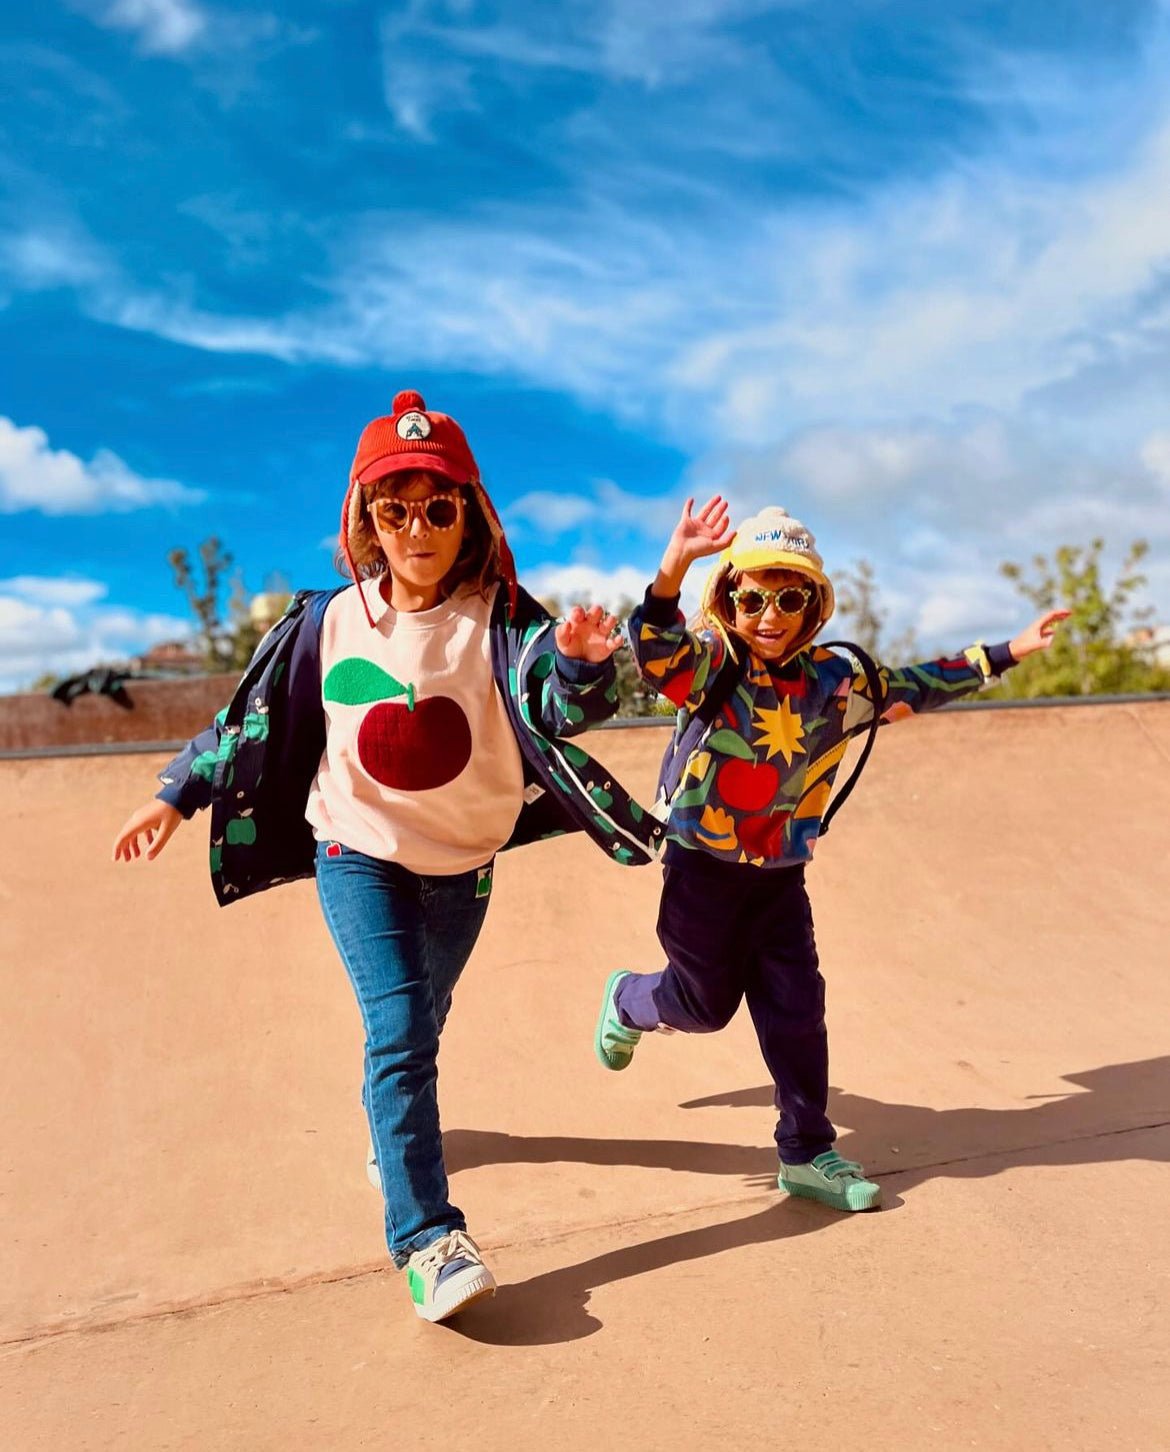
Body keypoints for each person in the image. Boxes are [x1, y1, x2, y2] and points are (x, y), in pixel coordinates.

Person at [113, 390, 665, 1323]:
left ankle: (387, 1116)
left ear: (470, 518)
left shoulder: (501, 622)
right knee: (402, 1027)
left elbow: (559, 706)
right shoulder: (328, 622)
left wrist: (576, 662)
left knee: (421, 1019)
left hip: (464, 862)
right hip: (353, 849)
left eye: (438, 507)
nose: (416, 526)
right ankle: (426, 1240)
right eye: (394, 507)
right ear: (366, 520)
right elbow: (242, 723)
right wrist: (173, 793)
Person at [594, 495, 1067, 1212]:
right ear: (728, 598)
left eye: (790, 597)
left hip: (782, 878)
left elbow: (915, 685)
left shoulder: (832, 682)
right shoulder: (711, 668)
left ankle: (808, 1150)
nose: (771, 614)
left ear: (813, 605)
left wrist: (1006, 652)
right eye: (753, 597)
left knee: (796, 1009)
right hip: (701, 874)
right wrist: (674, 568)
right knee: (705, 1004)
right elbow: (653, 644)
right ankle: (631, 1000)